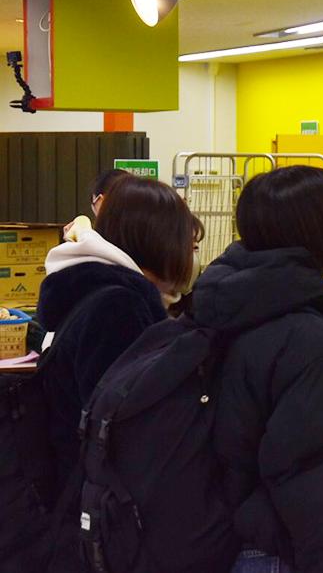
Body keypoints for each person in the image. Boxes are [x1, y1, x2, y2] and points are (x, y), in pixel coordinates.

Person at [189, 166, 323, 573]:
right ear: (317, 230)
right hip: (276, 550)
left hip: (222, 538)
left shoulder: (223, 305)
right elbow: (318, 480)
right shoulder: (305, 339)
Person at [35, 175, 200, 570]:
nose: (193, 257)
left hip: (77, 507)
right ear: (158, 241)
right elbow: (121, 429)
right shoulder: (120, 308)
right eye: (189, 246)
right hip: (101, 521)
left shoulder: (95, 294)